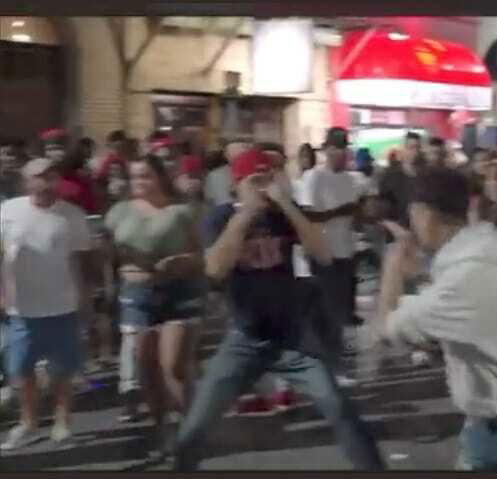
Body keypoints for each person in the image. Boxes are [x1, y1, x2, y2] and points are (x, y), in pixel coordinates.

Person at [172, 148, 385, 471]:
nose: (263, 188)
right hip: (245, 338)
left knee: (338, 406)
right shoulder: (219, 217)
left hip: (292, 339)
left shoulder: (282, 213)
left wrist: (286, 204)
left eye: (267, 179)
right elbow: (214, 269)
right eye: (255, 181)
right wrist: (245, 215)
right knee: (197, 423)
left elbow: (322, 254)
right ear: (237, 185)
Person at [374, 167, 497, 471]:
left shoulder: (463, 277)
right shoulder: (483, 248)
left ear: (424, 215)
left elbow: (386, 328)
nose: (411, 227)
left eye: (411, 216)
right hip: (490, 415)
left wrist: (393, 265)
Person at [102, 154, 206, 457]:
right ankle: (163, 431)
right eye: (135, 176)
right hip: (137, 294)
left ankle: (189, 428)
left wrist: (181, 260)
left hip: (179, 290)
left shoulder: (182, 210)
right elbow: (107, 256)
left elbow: (202, 254)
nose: (140, 182)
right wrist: (110, 283)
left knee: (173, 365)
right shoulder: (119, 212)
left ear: (160, 176)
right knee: (146, 367)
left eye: (146, 175)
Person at [1, 158, 94, 450]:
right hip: (21, 309)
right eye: (39, 177)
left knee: (61, 370)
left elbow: (80, 260)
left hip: (62, 306)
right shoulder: (8, 211)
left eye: (51, 176)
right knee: (20, 370)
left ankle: (62, 424)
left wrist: (86, 298)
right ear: (26, 181)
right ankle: (28, 424)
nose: (45, 182)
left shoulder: (73, 216)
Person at [296, 128, 366, 387]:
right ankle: (323, 369)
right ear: (326, 150)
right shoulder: (313, 178)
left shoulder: (352, 180)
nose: (340, 153)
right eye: (335, 148)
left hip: (345, 252)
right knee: (324, 313)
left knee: (339, 313)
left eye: (344, 148)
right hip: (321, 252)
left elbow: (356, 218)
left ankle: (333, 369)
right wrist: (341, 210)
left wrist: (360, 213)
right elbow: (307, 216)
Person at [205, 139, 250, 206]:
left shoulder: (255, 173)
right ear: (226, 155)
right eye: (233, 152)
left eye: (240, 152)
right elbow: (210, 200)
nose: (236, 155)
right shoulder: (214, 175)